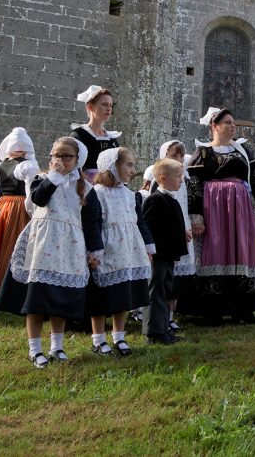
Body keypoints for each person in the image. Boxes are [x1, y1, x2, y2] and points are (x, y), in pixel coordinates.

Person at [0, 136, 104, 367]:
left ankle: (57, 346)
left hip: (70, 247)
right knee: (37, 297)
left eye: (67, 156)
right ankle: (35, 349)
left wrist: (95, 251)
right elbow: (38, 199)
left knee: (60, 297)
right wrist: (54, 176)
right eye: (57, 155)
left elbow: (92, 223)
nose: (61, 160)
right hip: (43, 244)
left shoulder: (85, 188)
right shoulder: (42, 179)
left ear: (77, 160)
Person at [180, 107, 255, 324]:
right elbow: (194, 185)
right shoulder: (203, 152)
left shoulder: (243, 151)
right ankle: (213, 311)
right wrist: (196, 216)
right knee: (215, 251)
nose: (232, 125)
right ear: (214, 126)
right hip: (214, 210)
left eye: (233, 122)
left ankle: (244, 310)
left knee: (242, 251)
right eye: (227, 122)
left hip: (240, 210)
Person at [88, 148, 153, 356]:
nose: (132, 170)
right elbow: (93, 224)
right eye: (128, 165)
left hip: (128, 250)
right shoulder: (96, 194)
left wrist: (148, 245)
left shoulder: (130, 195)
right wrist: (94, 251)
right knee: (101, 297)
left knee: (122, 294)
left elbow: (139, 222)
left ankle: (119, 336)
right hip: (106, 250)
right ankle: (98, 339)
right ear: (112, 167)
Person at [141, 158, 192, 345]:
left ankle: (163, 328)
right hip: (158, 255)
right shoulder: (155, 200)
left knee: (165, 290)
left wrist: (181, 234)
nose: (181, 180)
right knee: (156, 291)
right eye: (178, 176)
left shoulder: (171, 198)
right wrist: (150, 249)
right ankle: (153, 332)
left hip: (168, 254)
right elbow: (149, 227)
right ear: (163, 178)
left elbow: (171, 224)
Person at [155, 139, 196, 331]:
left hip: (183, 227)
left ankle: (171, 315)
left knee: (177, 281)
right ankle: (162, 316)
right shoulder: (160, 182)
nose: (179, 159)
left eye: (181, 155)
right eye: (173, 156)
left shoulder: (183, 179)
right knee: (165, 279)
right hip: (169, 234)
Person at [0, 128, 38, 293]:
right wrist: (33, 214)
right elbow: (30, 193)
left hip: (2, 204)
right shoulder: (28, 165)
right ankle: (11, 289)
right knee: (14, 246)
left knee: (2, 244)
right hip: (19, 207)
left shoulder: (1, 165)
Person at [70, 85, 120, 181]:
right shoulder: (79, 135)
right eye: (104, 104)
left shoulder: (112, 139)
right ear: (90, 107)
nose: (109, 108)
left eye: (110, 105)